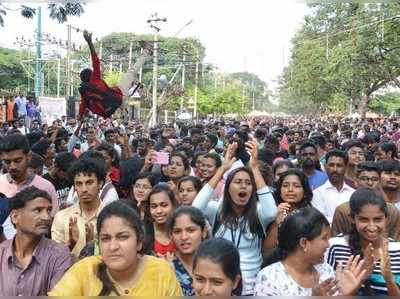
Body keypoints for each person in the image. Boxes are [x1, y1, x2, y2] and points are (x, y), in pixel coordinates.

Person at [193, 140, 277, 295]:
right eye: (238, 182)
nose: (243, 186)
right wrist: (223, 168)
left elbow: (272, 212)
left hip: (252, 288)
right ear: (228, 188)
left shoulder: (259, 213)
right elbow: (196, 207)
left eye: (248, 183)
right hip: (220, 288)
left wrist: (253, 168)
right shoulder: (217, 212)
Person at [48, 200, 182, 296]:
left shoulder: (160, 272)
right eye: (105, 238)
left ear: (139, 242)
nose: (113, 247)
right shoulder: (85, 270)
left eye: (123, 237)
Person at [254, 207, 365, 296]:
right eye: (324, 238)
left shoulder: (326, 271)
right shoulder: (270, 278)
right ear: (304, 243)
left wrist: (346, 294)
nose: (328, 244)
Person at [0, 187, 74, 295]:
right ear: (15, 217)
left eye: (48, 210)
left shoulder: (60, 255)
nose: (47, 217)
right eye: (38, 210)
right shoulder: (1, 253)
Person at [326, 188, 400, 295]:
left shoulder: (397, 251)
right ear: (352, 218)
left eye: (378, 219)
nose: (371, 227)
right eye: (364, 219)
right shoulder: (336, 247)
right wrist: (360, 279)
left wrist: (389, 279)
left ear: (386, 219)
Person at [78, 30, 150, 119]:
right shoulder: (95, 79)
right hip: (119, 96)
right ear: (91, 75)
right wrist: (89, 42)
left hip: (111, 108)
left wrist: (80, 116)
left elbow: (82, 106)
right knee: (132, 71)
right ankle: (147, 49)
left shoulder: (84, 92)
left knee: (124, 88)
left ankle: (130, 95)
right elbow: (95, 61)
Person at [0, 134, 59, 239]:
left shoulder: (46, 187)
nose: (12, 166)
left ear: (28, 157)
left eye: (18, 161)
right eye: (7, 162)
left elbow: (53, 224)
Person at [51, 158, 106, 257]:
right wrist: (70, 245)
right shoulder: (62, 217)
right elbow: (56, 261)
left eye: (89, 182)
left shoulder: (112, 217)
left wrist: (93, 244)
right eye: (79, 184)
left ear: (100, 183)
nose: (84, 189)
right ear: (74, 187)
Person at [263, 168, 313, 259]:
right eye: (285, 185)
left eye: (296, 186)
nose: (290, 190)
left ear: (305, 192)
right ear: (279, 190)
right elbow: (266, 252)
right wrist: (276, 223)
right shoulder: (271, 212)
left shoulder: (312, 216)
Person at [168, 206, 208, 295]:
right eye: (177, 232)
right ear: (171, 235)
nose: (184, 237)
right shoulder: (166, 266)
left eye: (190, 230)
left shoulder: (216, 262)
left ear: (204, 231)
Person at [312, 149, 355, 223]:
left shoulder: (353, 194)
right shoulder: (317, 193)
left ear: (346, 168)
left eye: (339, 165)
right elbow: (320, 221)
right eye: (331, 165)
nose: (335, 169)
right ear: (325, 167)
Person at [143, 185, 177, 256]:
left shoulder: (182, 231)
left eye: (164, 205)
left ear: (173, 205)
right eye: (154, 206)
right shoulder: (143, 234)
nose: (159, 211)